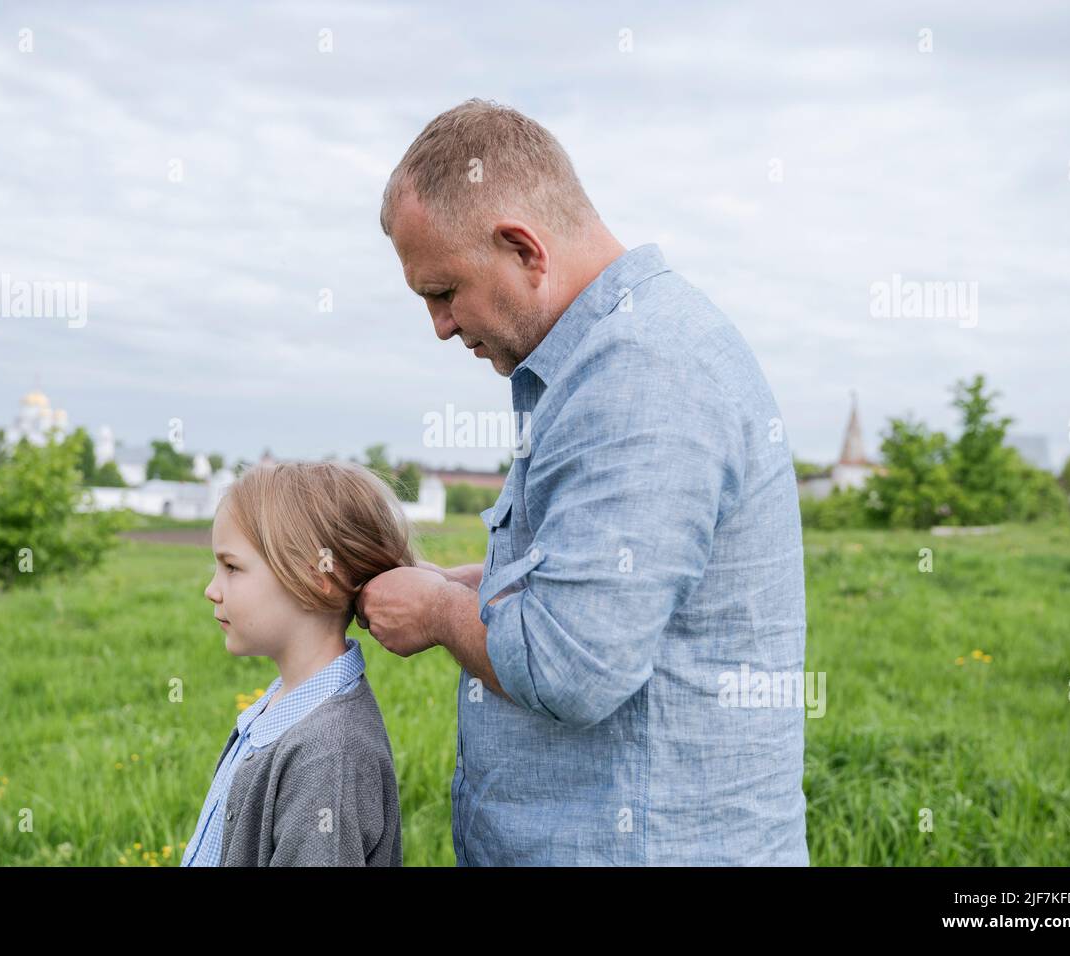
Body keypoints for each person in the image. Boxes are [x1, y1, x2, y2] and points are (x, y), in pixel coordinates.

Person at [357, 98, 810, 865]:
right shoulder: (615, 355)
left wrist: (437, 610)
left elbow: (574, 667)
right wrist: (457, 579)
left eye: (443, 293)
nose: (438, 325)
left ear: (522, 249)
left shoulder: (641, 372)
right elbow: (586, 585)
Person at [184, 460, 409, 866]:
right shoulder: (285, 705)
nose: (211, 589)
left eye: (232, 567)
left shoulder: (327, 756)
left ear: (317, 577)